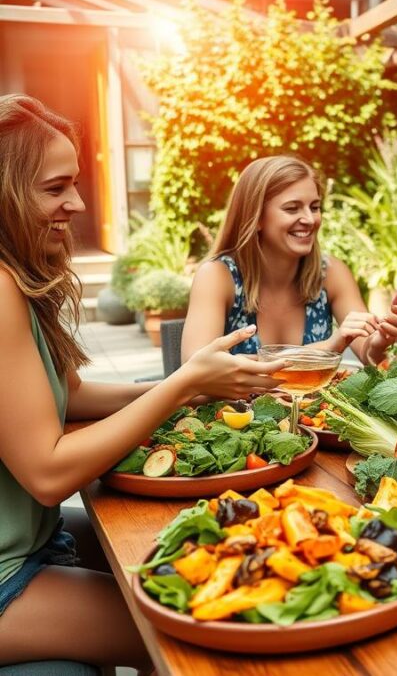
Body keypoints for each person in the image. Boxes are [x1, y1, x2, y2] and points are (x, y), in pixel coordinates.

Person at [0, 94, 286, 669]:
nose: (78, 203)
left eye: (74, 183)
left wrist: (191, 387)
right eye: (55, 188)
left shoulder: (19, 278)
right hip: (8, 575)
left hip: (34, 543)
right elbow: (49, 474)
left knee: (202, 553)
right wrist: (178, 388)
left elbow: (73, 396)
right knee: (205, 633)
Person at [181, 155, 397, 363]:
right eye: (292, 209)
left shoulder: (331, 273)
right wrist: (326, 348)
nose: (310, 219)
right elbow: (197, 369)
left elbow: (371, 357)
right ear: (256, 217)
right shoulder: (218, 276)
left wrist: (378, 343)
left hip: (317, 400)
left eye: (315, 207)